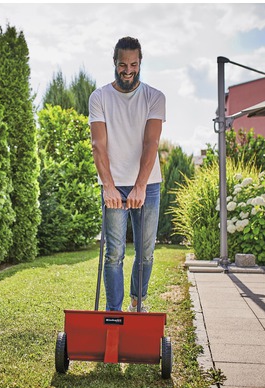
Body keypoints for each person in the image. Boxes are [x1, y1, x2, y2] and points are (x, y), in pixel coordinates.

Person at [88, 36, 166, 312]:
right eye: (123, 65)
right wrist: (108, 187)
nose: (128, 70)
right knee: (114, 254)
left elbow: (151, 143)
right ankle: (113, 313)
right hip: (114, 186)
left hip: (148, 186)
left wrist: (140, 186)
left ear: (140, 63)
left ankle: (137, 302)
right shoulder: (99, 97)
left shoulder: (154, 97)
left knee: (145, 253)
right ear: (115, 63)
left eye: (133, 64)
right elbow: (99, 145)